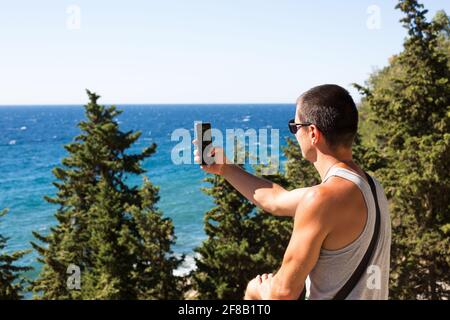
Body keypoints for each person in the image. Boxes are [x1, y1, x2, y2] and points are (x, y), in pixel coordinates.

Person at [193, 84, 391, 300]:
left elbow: (282, 294)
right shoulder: (370, 186)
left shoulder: (322, 199)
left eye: (294, 126)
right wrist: (225, 168)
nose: (295, 134)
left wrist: (254, 290)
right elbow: (276, 200)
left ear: (313, 133)